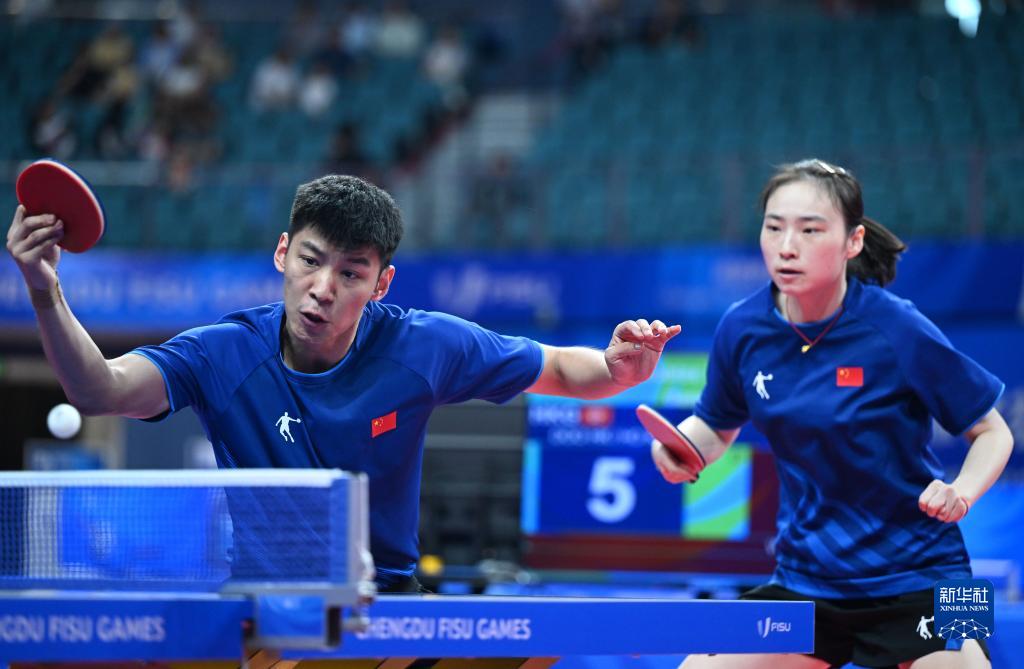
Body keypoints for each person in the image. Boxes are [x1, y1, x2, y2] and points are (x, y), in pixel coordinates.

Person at [7, 174, 680, 593]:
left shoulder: (424, 346)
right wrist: (44, 289)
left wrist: (616, 369)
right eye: (311, 260)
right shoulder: (223, 354)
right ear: (282, 253)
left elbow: (560, 368)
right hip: (262, 604)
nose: (323, 289)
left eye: (352, 272)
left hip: (386, 599)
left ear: (382, 283)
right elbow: (100, 390)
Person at [650, 159, 1012, 668]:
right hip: (805, 580)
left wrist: (963, 491)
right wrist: (680, 448)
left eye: (810, 230)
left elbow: (993, 432)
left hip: (930, 574)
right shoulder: (742, 327)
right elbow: (714, 424)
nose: (786, 246)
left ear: (853, 241)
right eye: (774, 227)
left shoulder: (897, 326)